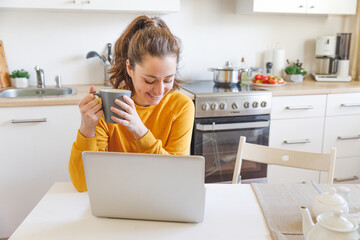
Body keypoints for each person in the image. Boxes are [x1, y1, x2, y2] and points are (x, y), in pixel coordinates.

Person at [69, 15, 195, 192]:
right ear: (130, 68)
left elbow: (176, 176)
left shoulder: (181, 106)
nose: (160, 91)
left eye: (168, 80)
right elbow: (83, 185)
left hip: (162, 200)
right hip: (115, 198)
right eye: (150, 81)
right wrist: (86, 129)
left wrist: (140, 130)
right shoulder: (108, 106)